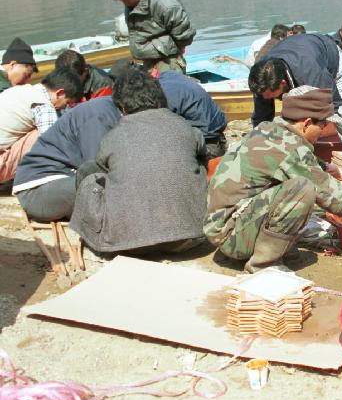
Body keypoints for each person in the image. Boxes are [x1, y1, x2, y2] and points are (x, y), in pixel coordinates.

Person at [205, 86, 342, 273]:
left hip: (226, 224)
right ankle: (263, 264)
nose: (323, 130)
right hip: (231, 237)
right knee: (302, 188)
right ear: (306, 124)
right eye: (323, 125)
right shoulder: (289, 149)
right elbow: (326, 191)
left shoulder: (269, 130)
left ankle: (271, 247)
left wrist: (329, 168)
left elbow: (294, 161)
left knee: (298, 184)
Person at [71, 70, 207, 255]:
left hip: (129, 246)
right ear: (160, 98)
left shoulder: (112, 137)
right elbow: (201, 153)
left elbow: (104, 167)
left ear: (122, 108)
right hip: (190, 237)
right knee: (198, 165)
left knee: (89, 173)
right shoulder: (186, 127)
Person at [249, 32, 342, 154]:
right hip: (298, 52)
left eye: (271, 96)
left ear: (282, 83)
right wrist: (259, 143)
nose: (265, 98)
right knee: (296, 126)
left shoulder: (312, 75)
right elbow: (261, 117)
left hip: (330, 59)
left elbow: (333, 102)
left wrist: (316, 128)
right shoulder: (262, 79)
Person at [14, 97, 121, 222]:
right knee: (108, 188)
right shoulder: (99, 114)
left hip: (65, 181)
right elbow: (98, 169)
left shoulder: (112, 111)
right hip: (38, 190)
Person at [109, 60, 228, 158]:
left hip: (210, 145)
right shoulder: (168, 75)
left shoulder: (162, 94)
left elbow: (161, 131)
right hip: (215, 135)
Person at [105, 0, 196, 74]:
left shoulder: (166, 6)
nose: (124, 3)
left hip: (168, 63)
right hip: (147, 61)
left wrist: (170, 49)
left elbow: (185, 37)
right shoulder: (132, 2)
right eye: (121, 0)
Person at [0, 68, 82, 183]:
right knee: (43, 138)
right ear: (59, 93)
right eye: (67, 102)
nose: (64, 107)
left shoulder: (20, 90)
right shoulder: (44, 105)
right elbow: (53, 145)